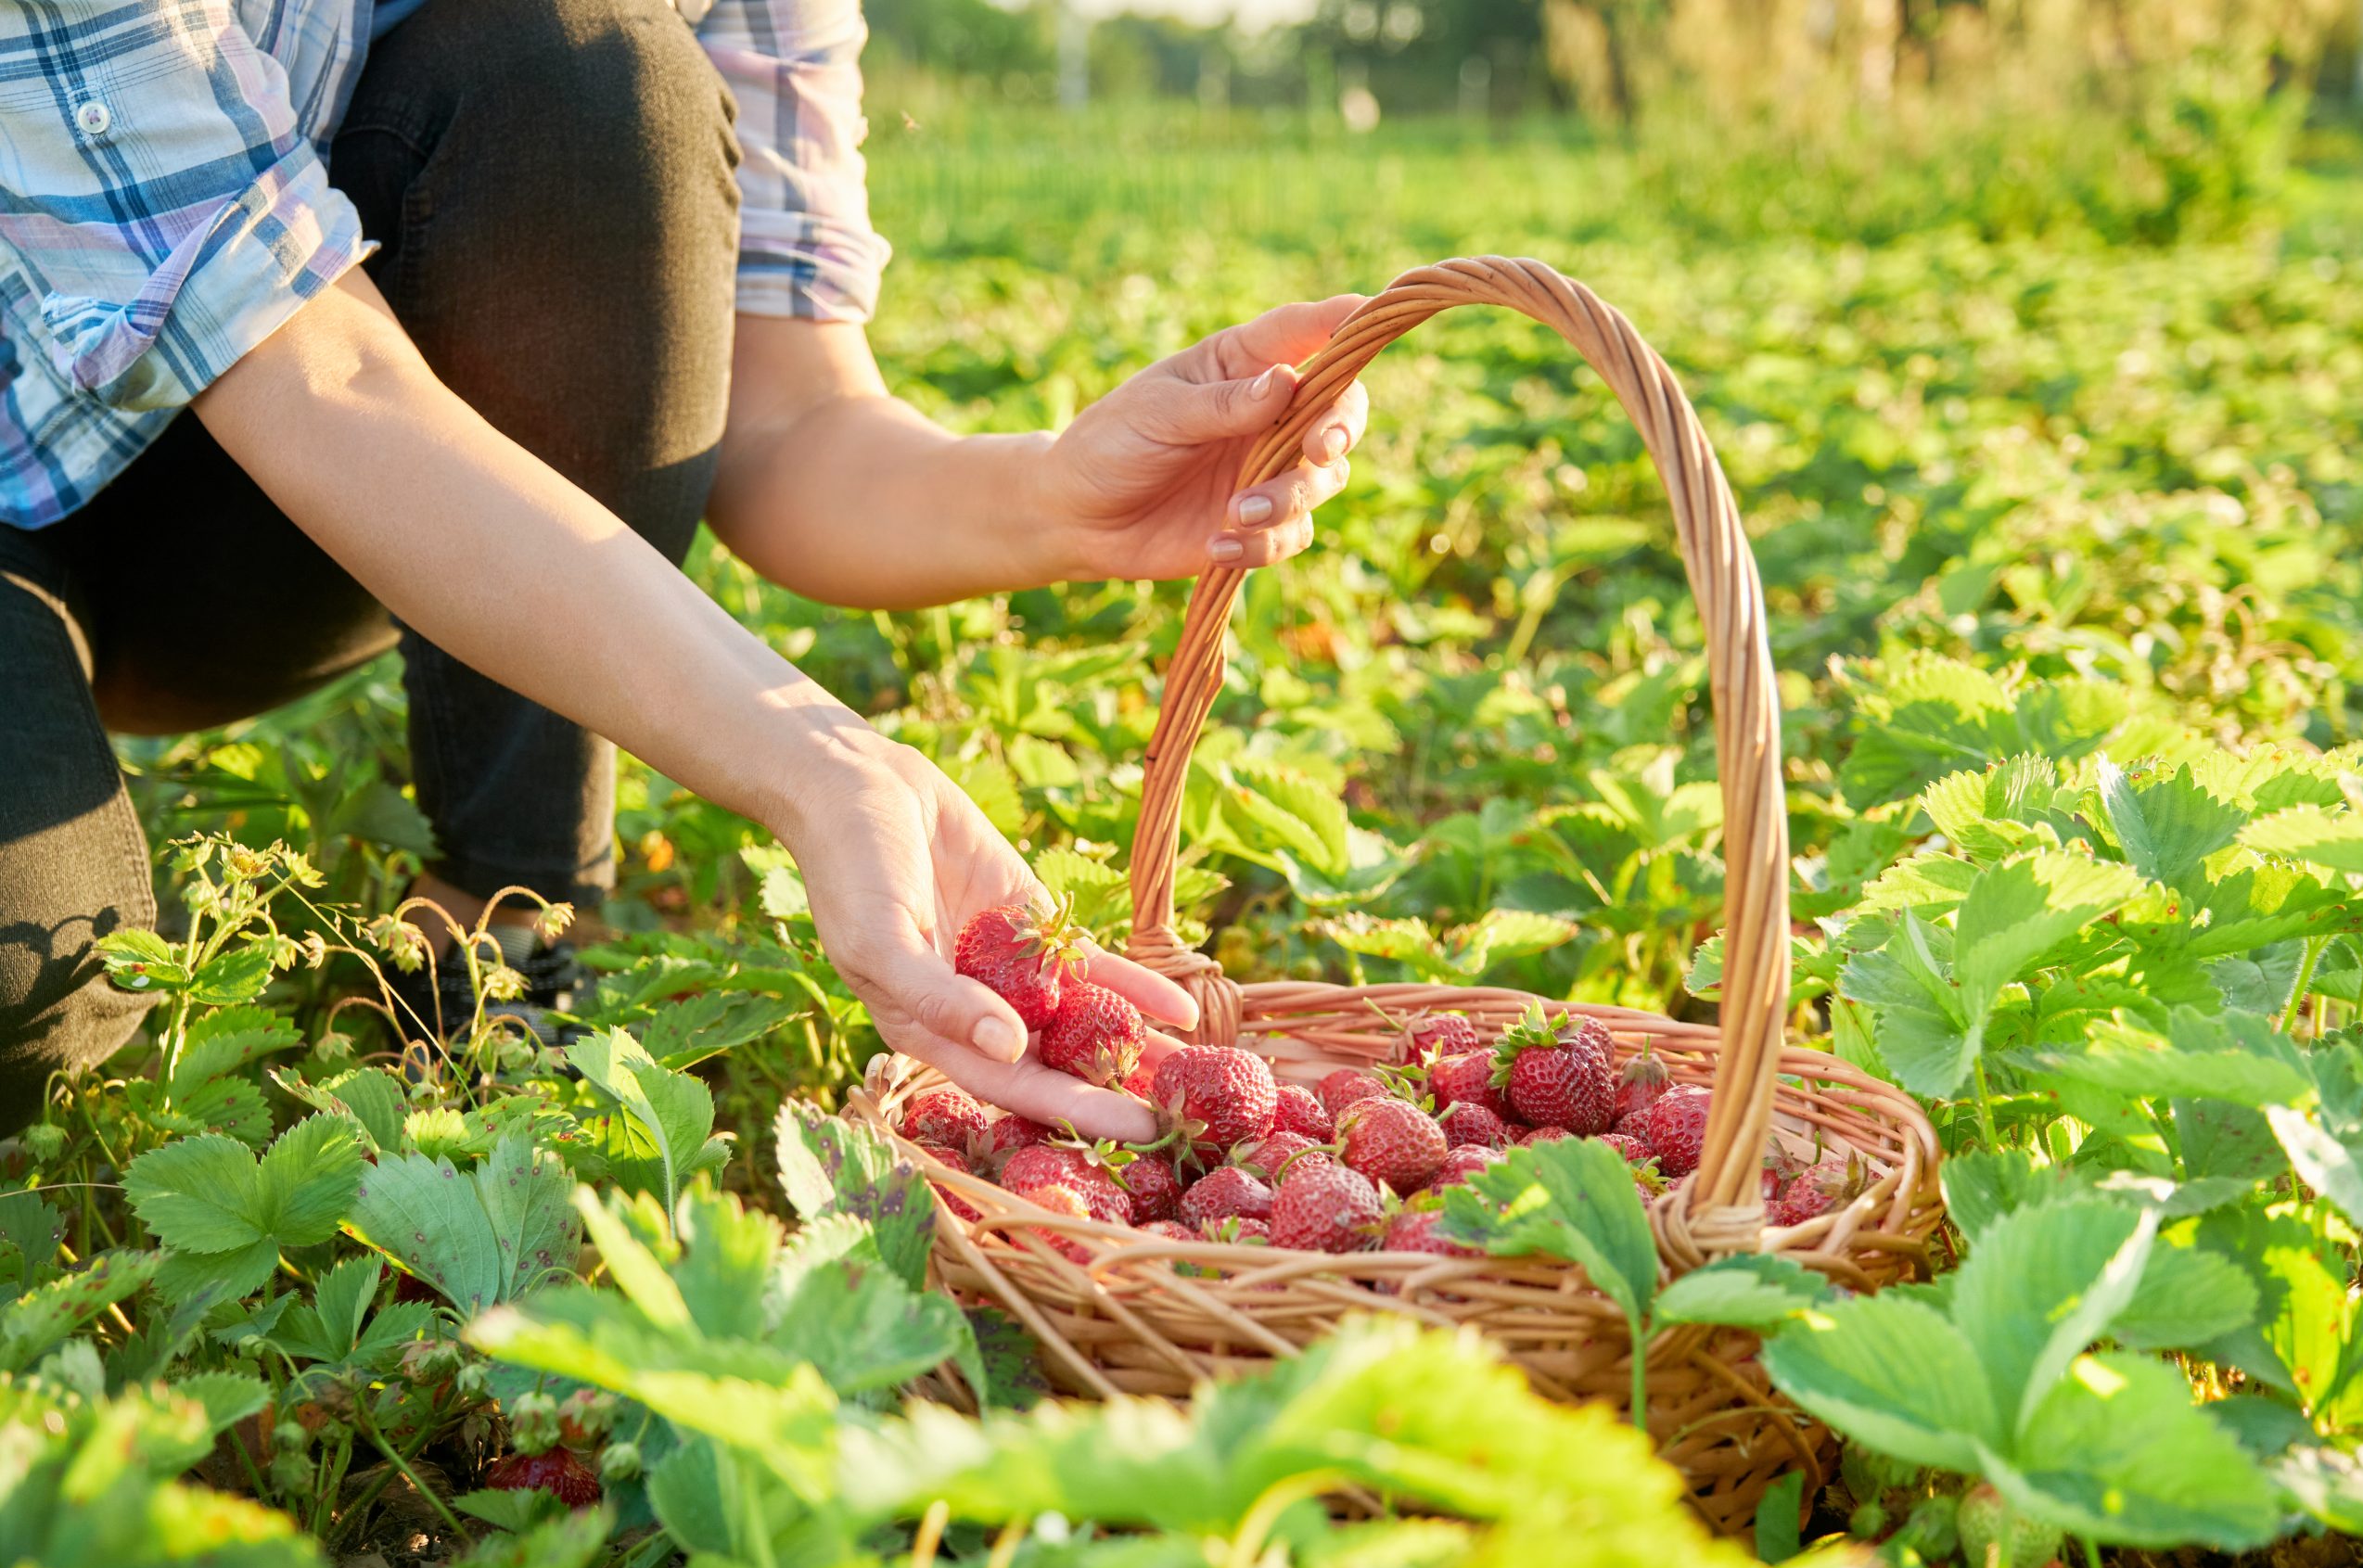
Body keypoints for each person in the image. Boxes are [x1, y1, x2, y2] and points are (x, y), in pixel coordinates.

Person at [0, 0, 1369, 1143]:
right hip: (171, 428)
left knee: (590, 75)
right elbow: (313, 370)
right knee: (37, 997)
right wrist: (826, 764)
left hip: (297, 514)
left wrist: (1055, 494)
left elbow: (785, 411)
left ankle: (497, 943)